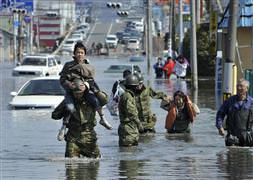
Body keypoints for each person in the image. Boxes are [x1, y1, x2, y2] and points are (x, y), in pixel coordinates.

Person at [59, 42, 112, 139]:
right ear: (74, 54)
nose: (79, 54)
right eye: (78, 52)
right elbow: (62, 79)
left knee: (96, 101)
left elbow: (91, 80)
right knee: (69, 107)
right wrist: (69, 84)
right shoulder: (68, 65)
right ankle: (63, 127)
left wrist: (86, 86)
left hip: (85, 91)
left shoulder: (88, 66)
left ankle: (103, 119)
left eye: (82, 52)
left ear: (84, 54)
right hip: (71, 91)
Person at [52, 78, 101, 158]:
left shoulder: (91, 100)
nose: (78, 95)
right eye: (76, 93)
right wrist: (64, 108)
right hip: (73, 138)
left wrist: (96, 90)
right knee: (71, 166)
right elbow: (54, 116)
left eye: (80, 93)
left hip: (89, 137)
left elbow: (104, 100)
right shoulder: (68, 102)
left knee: (95, 164)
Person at [216, 78, 253, 146]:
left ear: (247, 89)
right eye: (237, 86)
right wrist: (219, 126)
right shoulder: (229, 101)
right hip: (232, 136)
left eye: (241, 86)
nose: (239, 88)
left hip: (247, 137)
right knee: (232, 154)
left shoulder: (251, 102)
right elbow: (220, 114)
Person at [118, 74, 144, 147]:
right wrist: (139, 124)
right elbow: (131, 112)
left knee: (132, 153)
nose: (138, 87)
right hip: (128, 128)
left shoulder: (128, 95)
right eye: (137, 86)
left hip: (130, 128)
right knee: (129, 152)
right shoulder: (128, 96)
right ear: (134, 87)